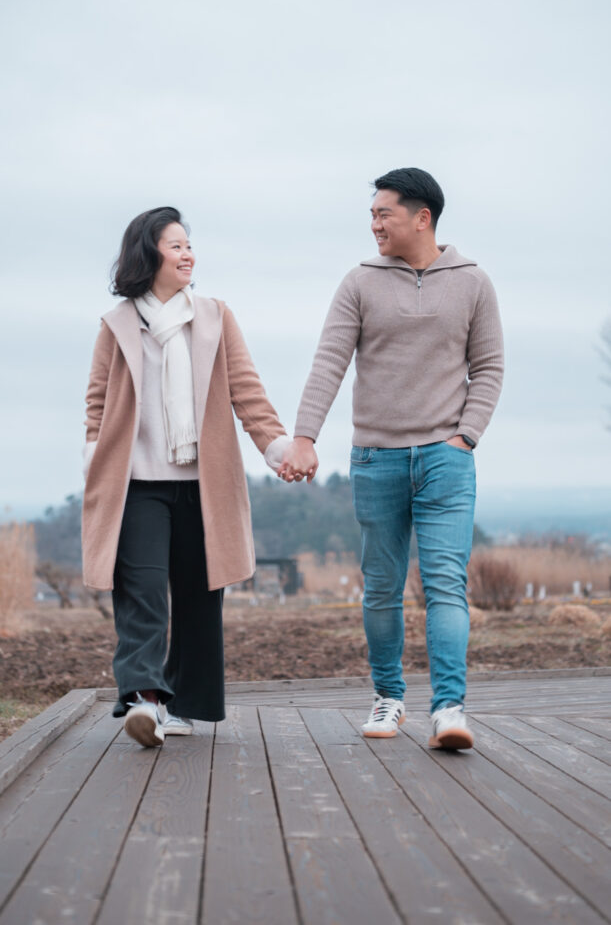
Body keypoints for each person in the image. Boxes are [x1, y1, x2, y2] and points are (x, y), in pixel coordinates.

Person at [279, 168, 504, 750]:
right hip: (375, 459)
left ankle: (449, 709)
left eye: (384, 214)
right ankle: (389, 698)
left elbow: (490, 369)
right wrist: (304, 437)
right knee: (380, 589)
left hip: (445, 460)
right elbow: (329, 361)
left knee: (445, 585)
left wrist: (466, 437)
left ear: (422, 217)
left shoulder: (473, 282)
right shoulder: (359, 282)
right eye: (372, 215)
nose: (375, 224)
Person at [82, 206, 290, 747]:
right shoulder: (118, 324)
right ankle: (145, 699)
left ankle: (187, 703)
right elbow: (98, 402)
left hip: (204, 482)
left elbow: (246, 389)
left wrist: (275, 445)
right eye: (175, 246)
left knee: (200, 595)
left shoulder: (215, 316)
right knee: (143, 589)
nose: (187, 253)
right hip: (139, 484)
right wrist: (93, 459)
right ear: (148, 254)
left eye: (188, 244)